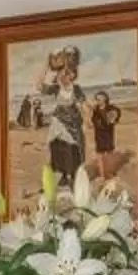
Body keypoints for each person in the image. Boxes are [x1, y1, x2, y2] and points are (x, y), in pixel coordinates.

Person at [42, 47, 85, 184]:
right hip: (58, 120)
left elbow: (83, 103)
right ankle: (63, 176)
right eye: (66, 74)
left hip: (73, 120)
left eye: (71, 74)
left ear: (74, 75)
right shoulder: (56, 88)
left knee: (73, 148)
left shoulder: (76, 89)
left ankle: (73, 175)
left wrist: (89, 115)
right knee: (57, 146)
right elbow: (39, 86)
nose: (68, 76)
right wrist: (46, 68)